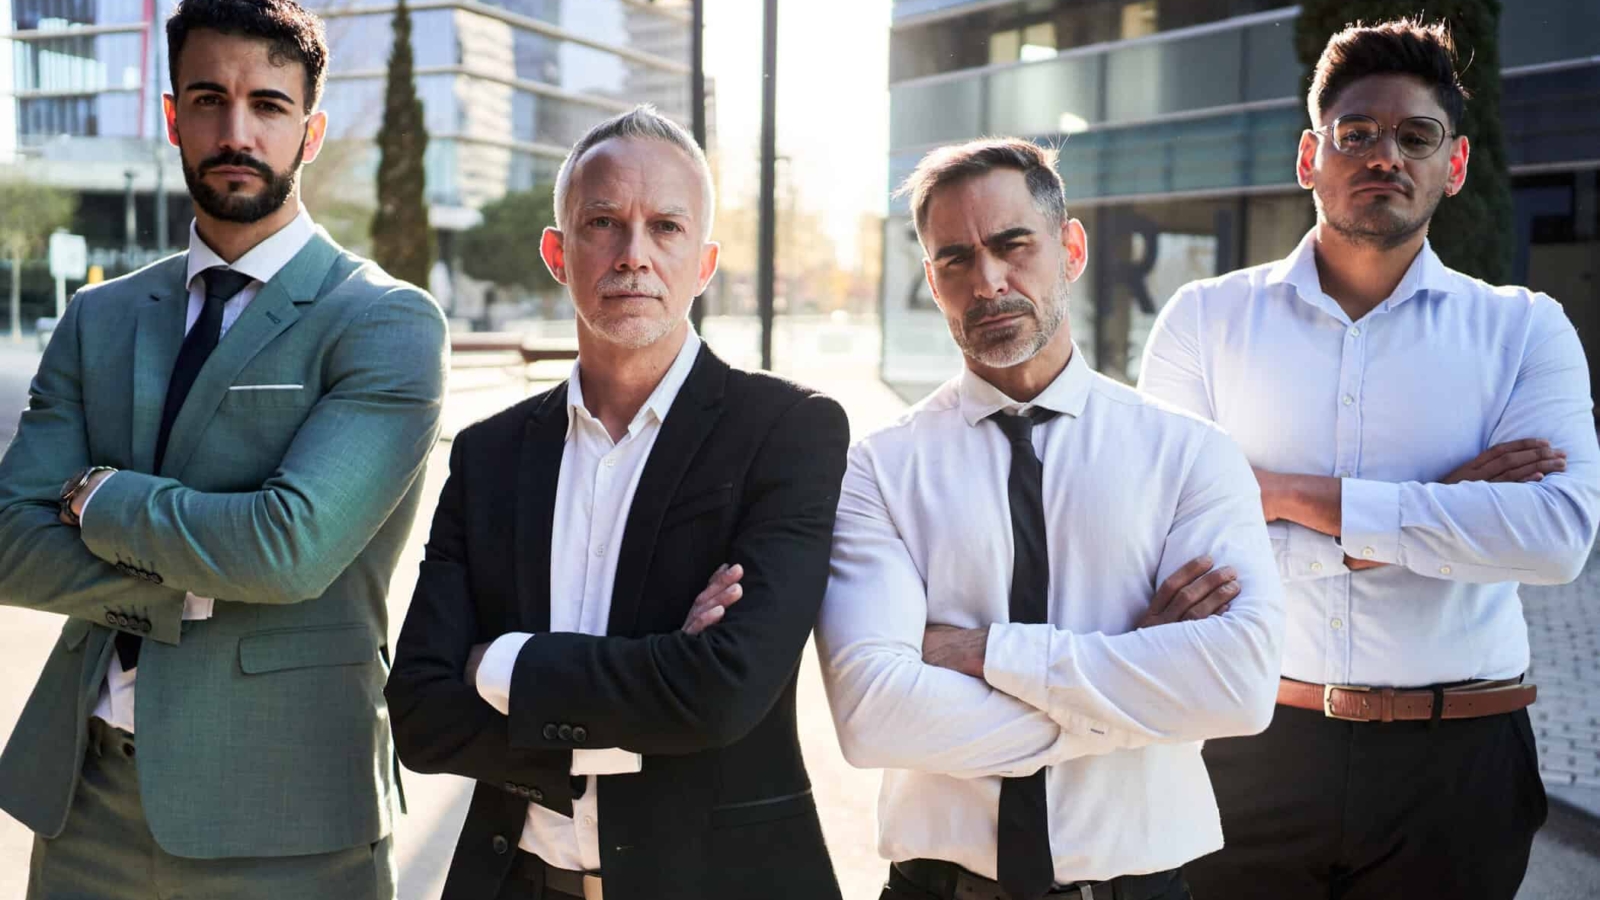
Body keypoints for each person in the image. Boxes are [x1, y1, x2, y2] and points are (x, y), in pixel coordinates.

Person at [1138, 18, 1600, 900]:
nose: (1385, 153)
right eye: (1357, 133)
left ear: (1454, 166)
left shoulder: (1524, 329)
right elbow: (1164, 549)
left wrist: (1277, 495)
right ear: (1312, 155)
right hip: (1247, 742)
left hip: (1457, 764)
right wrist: (1439, 511)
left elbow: (1555, 540)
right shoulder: (1203, 323)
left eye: (1416, 136)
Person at [0, 0, 448, 896]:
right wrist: (192, 589)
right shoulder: (101, 316)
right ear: (173, 117)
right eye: (208, 99)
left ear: (310, 131)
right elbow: (12, 541)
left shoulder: (384, 322)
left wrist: (95, 496)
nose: (235, 130)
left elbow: (287, 549)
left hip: (287, 819)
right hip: (86, 803)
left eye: (269, 106)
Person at [383, 106, 849, 900]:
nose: (634, 254)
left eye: (665, 227)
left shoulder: (789, 432)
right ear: (558, 253)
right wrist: (655, 688)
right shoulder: (490, 453)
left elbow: (723, 689)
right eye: (604, 222)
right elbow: (422, 715)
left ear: (703, 263)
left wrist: (500, 664)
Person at [816, 137, 1284, 900]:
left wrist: (985, 652)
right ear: (931, 282)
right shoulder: (880, 468)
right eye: (955, 260)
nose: (988, 281)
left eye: (1011, 245)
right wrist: (1135, 687)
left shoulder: (1188, 453)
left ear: (1070, 248)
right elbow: (874, 716)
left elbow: (1237, 684)